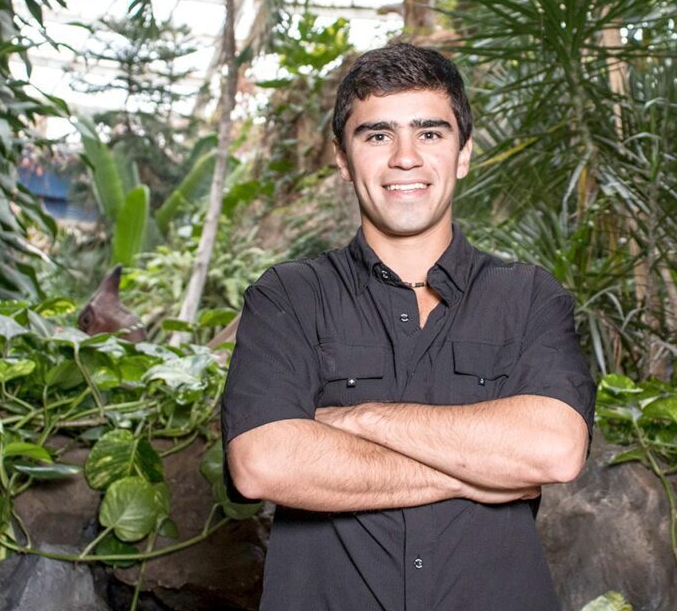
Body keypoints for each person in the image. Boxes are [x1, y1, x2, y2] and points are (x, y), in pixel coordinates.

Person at [222, 43, 595, 611]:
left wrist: (357, 419)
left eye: (430, 133)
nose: (405, 158)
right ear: (343, 159)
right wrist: (479, 473)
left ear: (462, 153)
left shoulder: (529, 298)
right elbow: (263, 464)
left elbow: (554, 450)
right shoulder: (288, 297)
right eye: (377, 135)